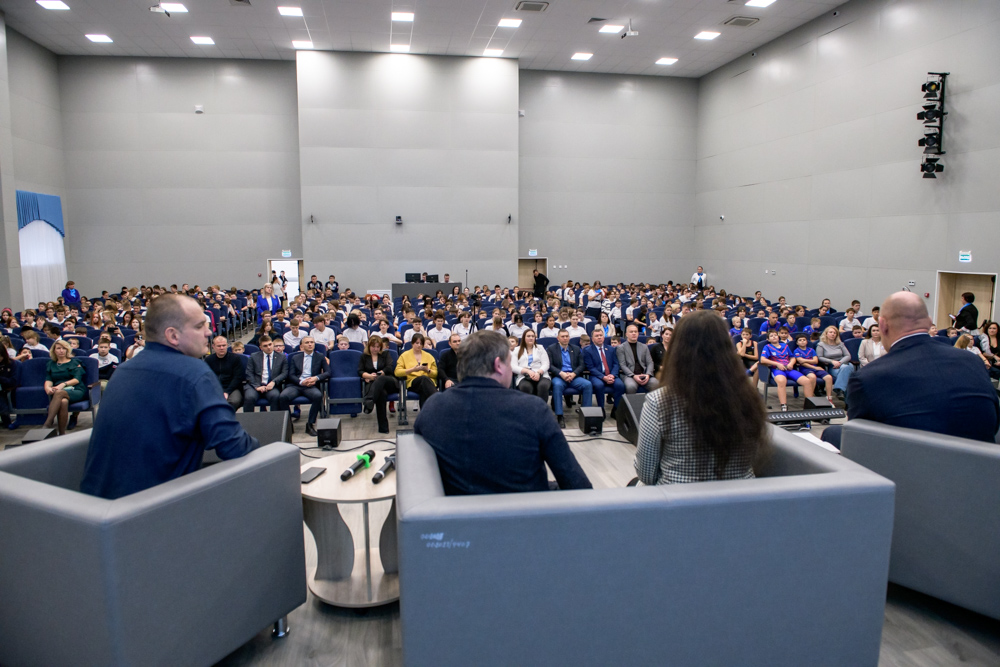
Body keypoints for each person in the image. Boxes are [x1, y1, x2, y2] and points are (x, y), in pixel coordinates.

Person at [80, 294, 259, 500]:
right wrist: (266, 450)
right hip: (156, 507)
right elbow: (234, 447)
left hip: (98, 506)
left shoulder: (123, 371)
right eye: (200, 326)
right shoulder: (195, 373)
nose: (209, 332)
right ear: (173, 335)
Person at [414, 330, 592, 495]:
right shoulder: (533, 409)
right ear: (499, 365)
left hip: (455, 512)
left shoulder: (432, 407)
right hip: (523, 512)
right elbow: (577, 485)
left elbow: (421, 480)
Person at [821, 292, 1000, 449]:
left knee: (832, 434)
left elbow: (859, 439)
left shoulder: (867, 378)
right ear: (929, 322)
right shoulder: (972, 361)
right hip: (981, 465)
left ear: (882, 325)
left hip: (908, 467)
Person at [635, 310, 766, 485]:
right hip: (741, 495)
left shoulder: (659, 401)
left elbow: (646, 474)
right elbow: (755, 459)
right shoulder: (749, 396)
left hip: (680, 496)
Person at [279, 336, 329, 436]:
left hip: (311, 385)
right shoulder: (295, 357)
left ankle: (310, 424)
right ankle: (288, 425)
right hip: (296, 385)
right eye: (307, 343)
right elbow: (291, 375)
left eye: (312, 342)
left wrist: (315, 378)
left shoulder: (320, 357)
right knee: (283, 397)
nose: (310, 344)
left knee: (318, 396)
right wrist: (301, 382)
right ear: (301, 346)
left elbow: (328, 372)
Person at [545, 328, 593, 428]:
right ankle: (560, 415)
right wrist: (561, 373)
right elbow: (550, 365)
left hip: (573, 376)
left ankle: (586, 414)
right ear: (558, 338)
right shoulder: (551, 349)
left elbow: (581, 365)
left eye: (567, 336)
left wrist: (574, 374)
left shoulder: (576, 349)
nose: (565, 338)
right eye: (562, 336)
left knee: (588, 384)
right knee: (557, 385)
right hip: (559, 376)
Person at [759, 330, 813, 411]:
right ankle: (783, 405)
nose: (774, 337)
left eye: (775, 335)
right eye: (771, 336)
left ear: (778, 337)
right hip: (777, 369)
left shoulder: (785, 346)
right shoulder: (767, 347)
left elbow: (792, 357)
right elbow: (762, 360)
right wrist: (777, 364)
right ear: (768, 339)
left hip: (788, 368)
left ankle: (809, 405)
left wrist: (791, 363)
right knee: (781, 381)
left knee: (807, 381)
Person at [43, 339, 86, 435]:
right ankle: (62, 433)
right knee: (63, 402)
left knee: (59, 393)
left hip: (76, 390)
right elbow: (49, 379)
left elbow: (77, 379)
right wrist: (47, 388)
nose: (61, 350)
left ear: (68, 350)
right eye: (58, 348)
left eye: (64, 348)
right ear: (54, 351)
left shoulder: (75, 362)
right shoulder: (51, 364)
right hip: (59, 392)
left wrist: (63, 384)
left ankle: (47, 423)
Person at [583, 328, 625, 417]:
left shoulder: (611, 349)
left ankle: (616, 409)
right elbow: (591, 368)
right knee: (599, 385)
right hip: (596, 376)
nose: (599, 337)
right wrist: (603, 377)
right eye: (596, 336)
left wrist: (612, 375)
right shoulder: (587, 350)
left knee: (620, 385)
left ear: (604, 337)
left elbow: (616, 364)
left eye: (601, 335)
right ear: (592, 339)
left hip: (611, 374)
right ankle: (601, 409)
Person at [358, 336, 396, 433]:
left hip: (389, 381)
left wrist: (377, 375)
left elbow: (389, 368)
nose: (375, 349)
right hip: (375, 385)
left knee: (381, 379)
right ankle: (383, 428)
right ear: (369, 346)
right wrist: (369, 376)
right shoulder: (364, 356)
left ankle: (369, 400)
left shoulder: (385, 354)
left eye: (378, 347)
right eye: (373, 347)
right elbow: (360, 371)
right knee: (381, 394)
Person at [243, 335, 287, 413]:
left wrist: (274, 382)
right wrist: (257, 386)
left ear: (273, 344)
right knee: (249, 397)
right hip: (255, 385)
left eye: (270, 344)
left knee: (275, 396)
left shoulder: (282, 357)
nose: (269, 347)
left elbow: (284, 373)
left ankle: (274, 420)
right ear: (261, 347)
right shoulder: (254, 356)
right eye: (265, 346)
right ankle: (248, 420)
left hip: (271, 385)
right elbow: (249, 373)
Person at [394, 333, 438, 408]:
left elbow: (436, 374)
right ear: (412, 343)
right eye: (417, 343)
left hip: (427, 383)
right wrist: (412, 370)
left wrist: (428, 370)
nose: (419, 345)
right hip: (413, 382)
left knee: (424, 390)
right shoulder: (404, 355)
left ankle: (424, 415)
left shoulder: (429, 356)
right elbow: (397, 372)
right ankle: (438, 399)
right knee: (423, 379)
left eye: (421, 343)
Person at [616, 323, 660, 395]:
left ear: (638, 334)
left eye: (635, 332)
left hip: (644, 374)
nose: (634, 333)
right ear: (626, 334)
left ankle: (651, 402)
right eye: (631, 332)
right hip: (629, 375)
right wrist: (633, 376)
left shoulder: (644, 347)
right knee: (631, 386)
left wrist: (648, 374)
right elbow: (622, 365)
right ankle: (631, 403)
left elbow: (650, 362)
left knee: (656, 383)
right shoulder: (621, 348)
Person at [205, 336, 244, 411]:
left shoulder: (235, 358)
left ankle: (228, 417)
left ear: (227, 345)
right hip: (215, 388)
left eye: (224, 345)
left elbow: (237, 377)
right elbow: (208, 378)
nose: (221, 348)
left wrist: (227, 392)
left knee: (234, 401)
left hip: (233, 388)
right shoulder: (209, 360)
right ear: (213, 346)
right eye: (219, 346)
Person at [816, 326, 854, 400]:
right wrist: (832, 361)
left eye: (834, 333)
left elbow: (848, 356)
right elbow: (820, 357)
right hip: (832, 367)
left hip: (844, 363)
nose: (833, 334)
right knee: (846, 375)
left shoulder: (840, 344)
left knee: (845, 367)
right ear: (826, 334)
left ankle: (839, 389)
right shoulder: (821, 345)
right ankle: (844, 397)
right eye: (830, 332)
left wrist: (839, 362)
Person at [512, 329, 550, 399]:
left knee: (543, 386)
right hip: (524, 376)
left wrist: (538, 373)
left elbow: (546, 364)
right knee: (526, 387)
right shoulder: (517, 350)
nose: (531, 338)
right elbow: (513, 366)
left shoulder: (540, 348)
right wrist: (528, 371)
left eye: (533, 336)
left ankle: (541, 406)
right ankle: (530, 406)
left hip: (541, 375)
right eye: (528, 336)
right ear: (524, 337)